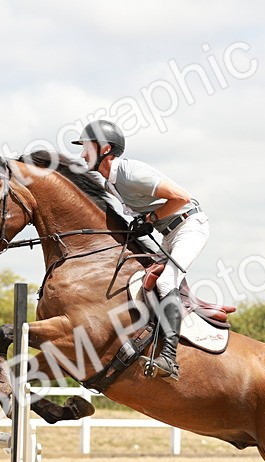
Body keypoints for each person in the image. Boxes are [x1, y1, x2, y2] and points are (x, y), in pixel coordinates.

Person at [72, 120, 209, 379]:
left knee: (167, 280)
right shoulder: (108, 181)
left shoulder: (130, 172)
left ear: (104, 149)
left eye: (86, 148)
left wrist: (149, 220)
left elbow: (181, 197)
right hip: (168, 234)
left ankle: (169, 358)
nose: (81, 154)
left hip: (189, 227)